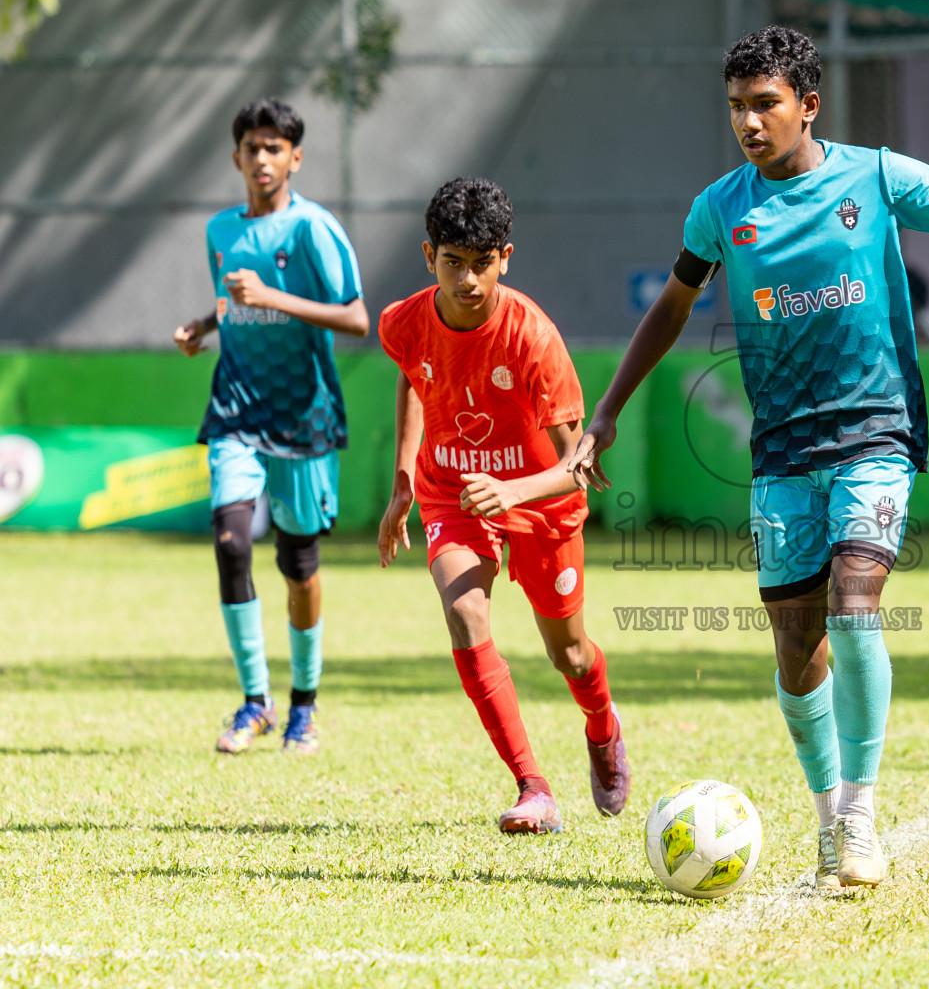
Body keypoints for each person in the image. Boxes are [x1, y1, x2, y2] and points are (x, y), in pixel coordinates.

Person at [567, 26, 929, 889]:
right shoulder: (721, 208)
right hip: (782, 449)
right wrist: (606, 410)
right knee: (797, 648)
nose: (749, 123)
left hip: (877, 432)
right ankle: (830, 809)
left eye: (765, 104)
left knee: (856, 600)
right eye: (736, 107)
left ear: (808, 105)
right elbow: (675, 307)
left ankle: (863, 812)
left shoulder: (876, 176)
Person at [376, 177, 630, 835]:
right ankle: (533, 787)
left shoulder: (532, 338)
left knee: (569, 655)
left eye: (482, 264)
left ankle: (602, 726)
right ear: (428, 256)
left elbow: (581, 468)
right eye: (453, 263)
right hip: (451, 492)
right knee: (463, 612)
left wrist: (512, 491)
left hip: (541, 503)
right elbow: (412, 378)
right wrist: (404, 479)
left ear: (506, 257)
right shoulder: (403, 323)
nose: (468, 281)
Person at [173, 98, 369, 755]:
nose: (262, 159)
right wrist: (203, 326)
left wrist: (272, 297)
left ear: (295, 158)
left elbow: (356, 319)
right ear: (237, 158)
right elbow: (235, 297)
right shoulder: (220, 229)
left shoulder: (314, 229)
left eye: (274, 148)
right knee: (231, 541)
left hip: (303, 415)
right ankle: (254, 701)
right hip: (236, 406)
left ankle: (303, 710)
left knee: (298, 564)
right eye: (252, 147)